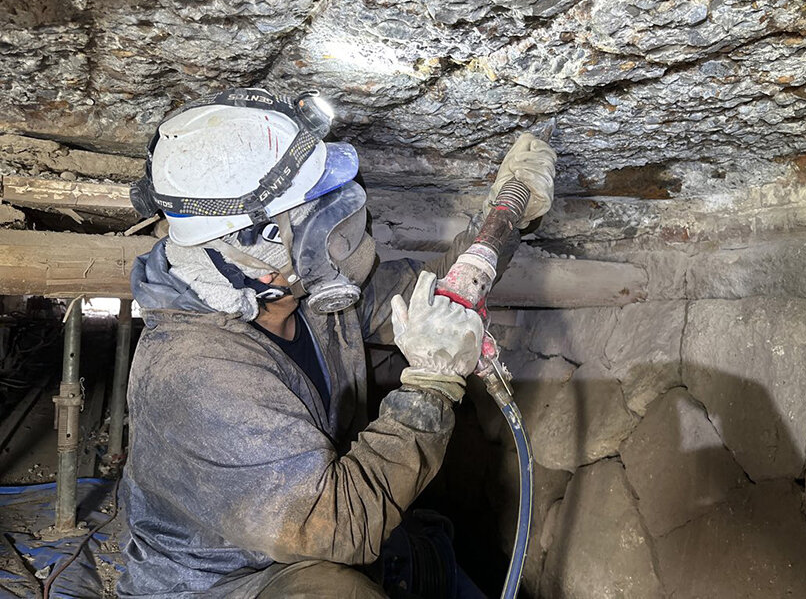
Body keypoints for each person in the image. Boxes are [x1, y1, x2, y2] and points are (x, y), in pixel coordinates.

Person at [118, 87, 556, 598]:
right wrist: (431, 385)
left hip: (308, 536)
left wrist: (507, 212)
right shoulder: (194, 373)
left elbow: (433, 295)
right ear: (257, 245)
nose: (347, 220)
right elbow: (338, 528)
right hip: (218, 582)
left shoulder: (303, 292)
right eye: (321, 210)